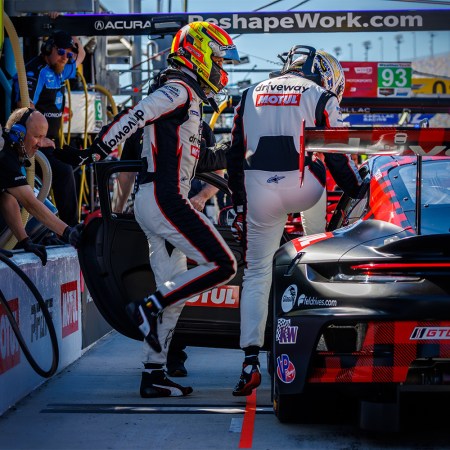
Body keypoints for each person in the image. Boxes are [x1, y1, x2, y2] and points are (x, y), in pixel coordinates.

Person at [84, 22, 239, 397]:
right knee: (223, 265)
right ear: (198, 55)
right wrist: (100, 147)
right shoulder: (178, 89)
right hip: (164, 199)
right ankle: (149, 306)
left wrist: (236, 154)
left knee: (176, 290)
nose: (223, 67)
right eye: (218, 58)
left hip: (158, 200)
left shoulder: (187, 94)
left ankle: (152, 373)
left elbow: (193, 159)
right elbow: (138, 113)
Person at [226, 45, 362, 396]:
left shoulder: (248, 93)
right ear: (323, 72)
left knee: (256, 273)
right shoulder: (321, 95)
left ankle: (249, 362)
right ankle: (316, 339)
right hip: (306, 189)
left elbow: (233, 154)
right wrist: (357, 189)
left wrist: (240, 203)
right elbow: (339, 155)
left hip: (259, 191)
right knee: (316, 256)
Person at [112, 122, 227, 377]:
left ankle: (159, 362)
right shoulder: (150, 126)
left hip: (165, 210)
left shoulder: (151, 123)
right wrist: (118, 213)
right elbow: (125, 176)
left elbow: (218, 173)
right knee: (187, 280)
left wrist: (203, 197)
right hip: (170, 213)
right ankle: (163, 360)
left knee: (172, 286)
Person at [11, 30, 86, 226]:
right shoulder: (35, 72)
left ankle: (66, 226)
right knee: (63, 170)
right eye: (61, 52)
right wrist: (40, 138)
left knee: (76, 163)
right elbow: (24, 107)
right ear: (48, 48)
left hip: (48, 144)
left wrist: (68, 24)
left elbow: (82, 55)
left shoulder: (61, 68)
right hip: (29, 144)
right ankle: (69, 230)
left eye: (69, 54)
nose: (65, 58)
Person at [0, 108, 85, 258]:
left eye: (43, 137)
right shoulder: (4, 154)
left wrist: (25, 240)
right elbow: (31, 203)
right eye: (36, 136)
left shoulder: (10, 150)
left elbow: (7, 200)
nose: (40, 143)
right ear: (18, 132)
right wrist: (68, 232)